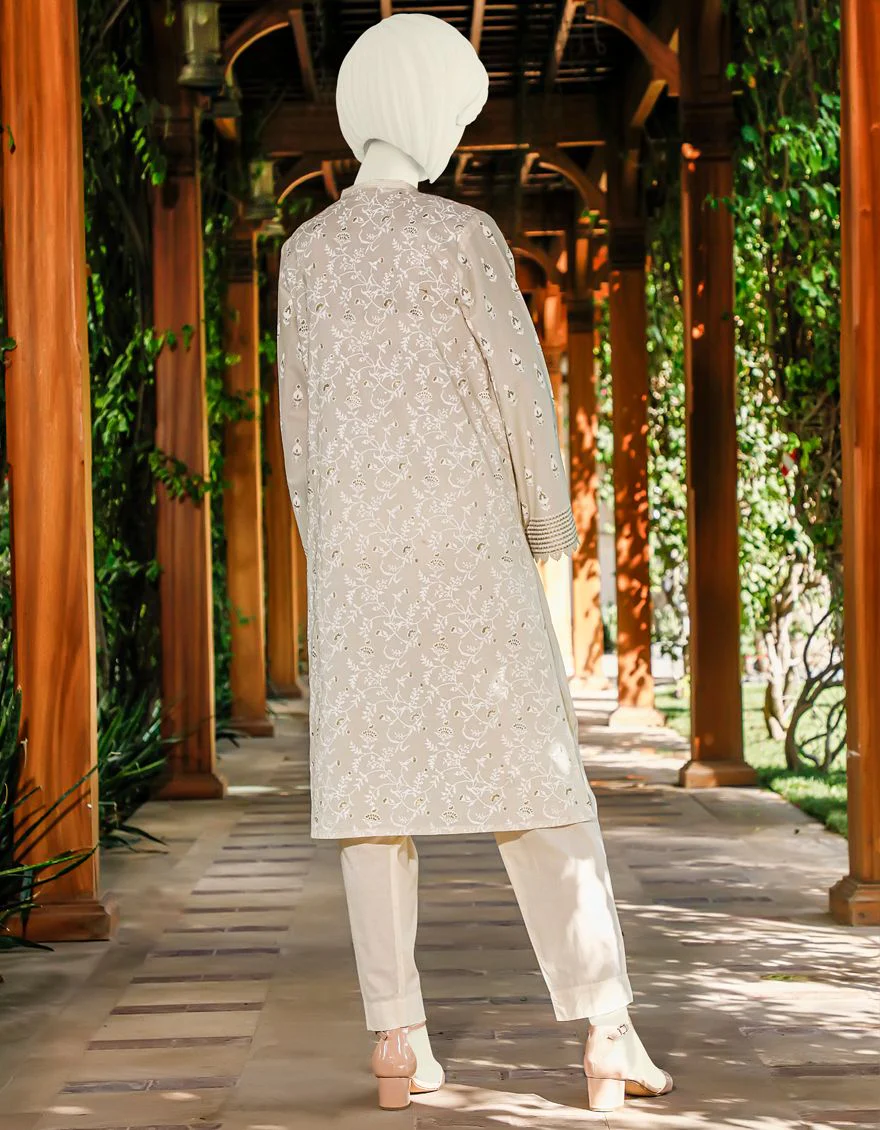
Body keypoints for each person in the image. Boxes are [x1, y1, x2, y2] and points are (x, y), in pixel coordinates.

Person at [276, 12, 673, 1113]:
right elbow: (522, 395)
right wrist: (545, 526)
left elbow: (301, 432)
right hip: (469, 549)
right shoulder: (464, 238)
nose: (455, 135)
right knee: (539, 783)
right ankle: (606, 1032)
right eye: (453, 114)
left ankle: (395, 1039)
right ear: (421, 112)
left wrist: (329, 549)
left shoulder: (304, 255)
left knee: (371, 802)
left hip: (359, 559)